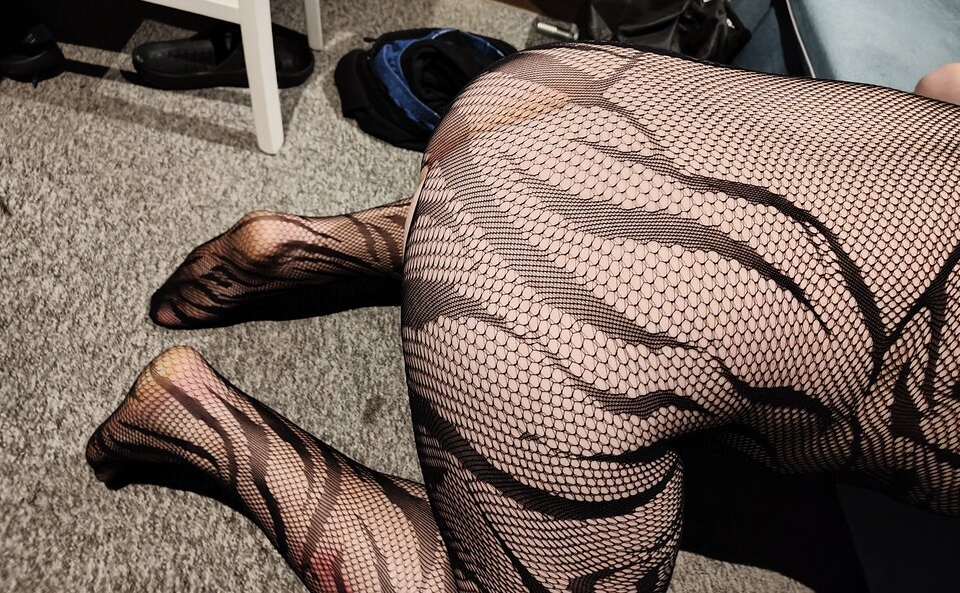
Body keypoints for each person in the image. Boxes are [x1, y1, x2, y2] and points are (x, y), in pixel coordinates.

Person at [87, 44, 960, 593]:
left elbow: (937, 85)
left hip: (563, 88)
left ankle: (329, 241)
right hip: (585, 330)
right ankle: (201, 420)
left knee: (579, 202)